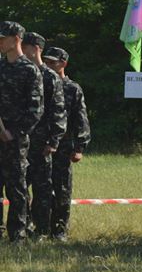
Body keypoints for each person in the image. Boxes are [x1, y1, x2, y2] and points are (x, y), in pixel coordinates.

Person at [0, 21, 44, 243]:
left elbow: (35, 110)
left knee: (17, 188)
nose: (0, 42)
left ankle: (17, 234)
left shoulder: (29, 70)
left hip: (15, 140)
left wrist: (13, 133)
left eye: (3, 38)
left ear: (16, 38)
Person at [42, 47, 90, 241]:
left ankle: (60, 230)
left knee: (61, 189)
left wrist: (80, 147)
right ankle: (41, 228)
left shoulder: (72, 88)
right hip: (41, 143)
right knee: (41, 188)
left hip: (63, 146)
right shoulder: (41, 84)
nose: (48, 65)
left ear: (63, 63)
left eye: (53, 62)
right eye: (46, 62)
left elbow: (81, 119)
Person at [21, 32, 66, 238]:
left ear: (36, 48)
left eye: (26, 46)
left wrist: (53, 140)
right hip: (20, 141)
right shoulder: (22, 72)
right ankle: (24, 226)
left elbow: (58, 111)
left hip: (41, 143)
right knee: (20, 187)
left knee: (42, 189)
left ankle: (41, 229)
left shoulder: (50, 77)